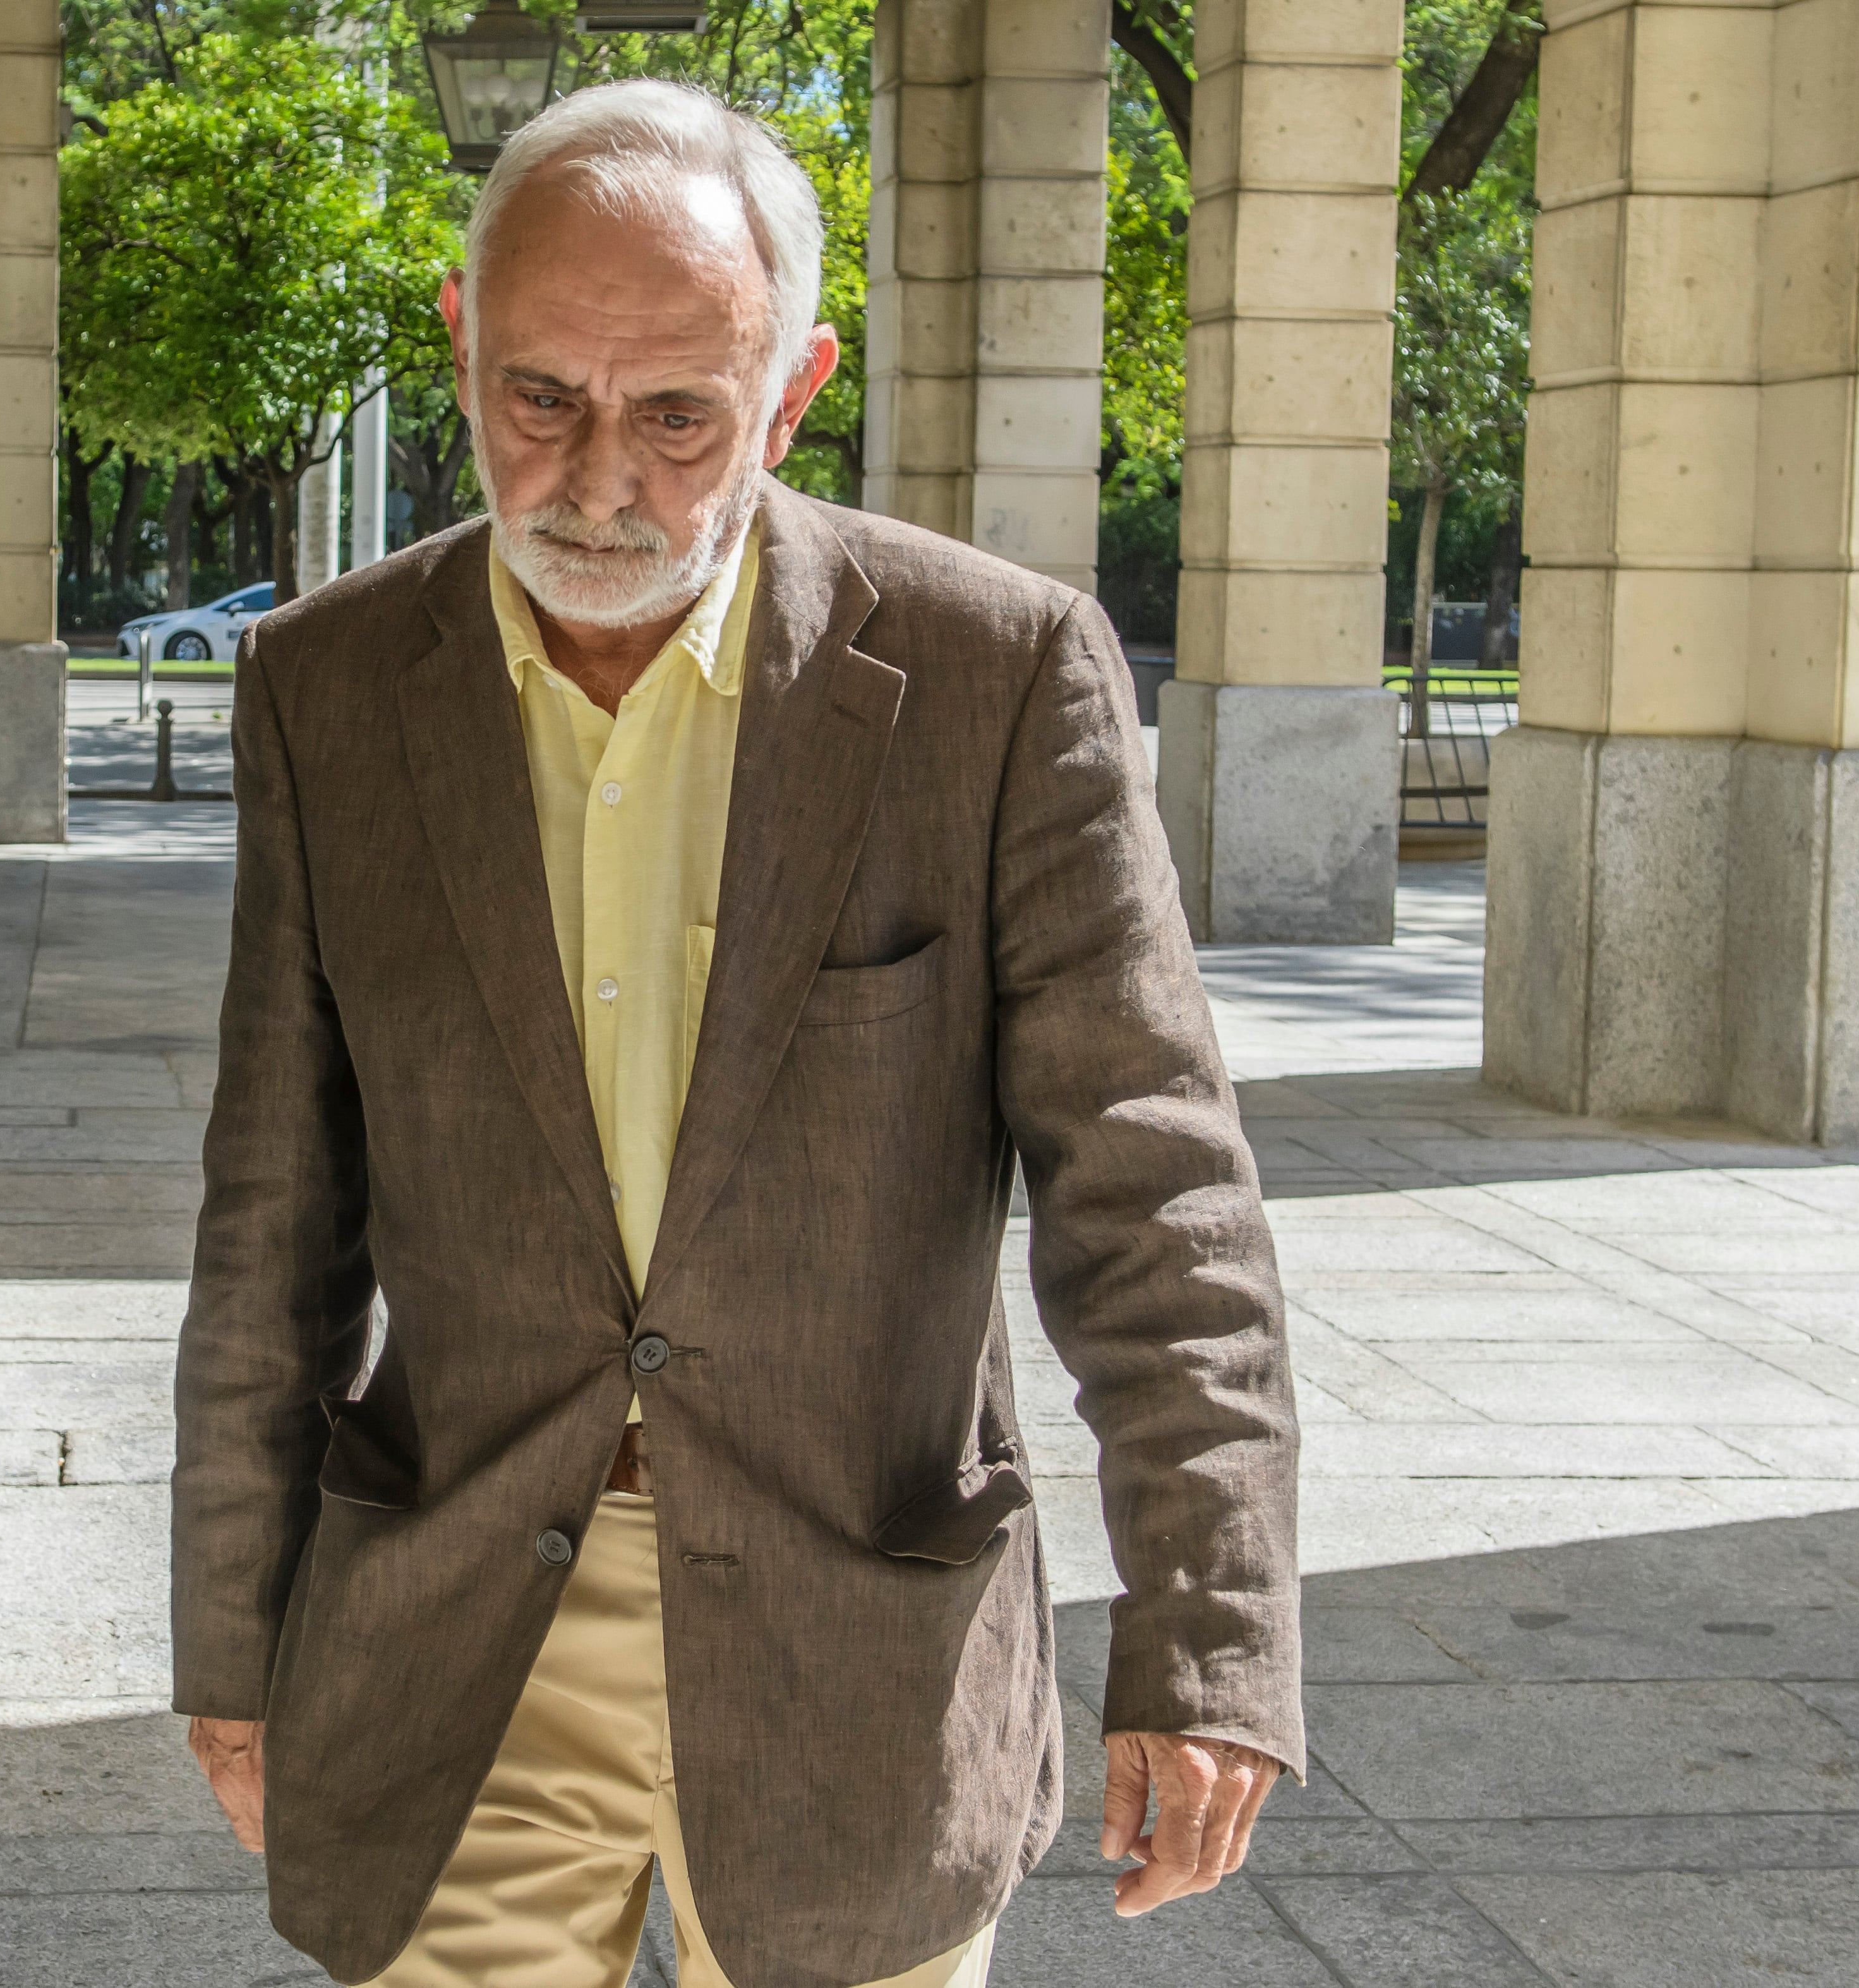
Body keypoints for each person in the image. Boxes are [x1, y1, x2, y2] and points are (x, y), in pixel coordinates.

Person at [171, 78, 1299, 1988]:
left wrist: (1210, 1638)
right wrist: (230, 1631)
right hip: (456, 1624)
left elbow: (1153, 1195)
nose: (596, 474)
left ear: (793, 393)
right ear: (464, 342)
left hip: (858, 1633)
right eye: (540, 396)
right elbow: (275, 1210)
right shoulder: (328, 688)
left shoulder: (993, 678)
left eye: (680, 414)